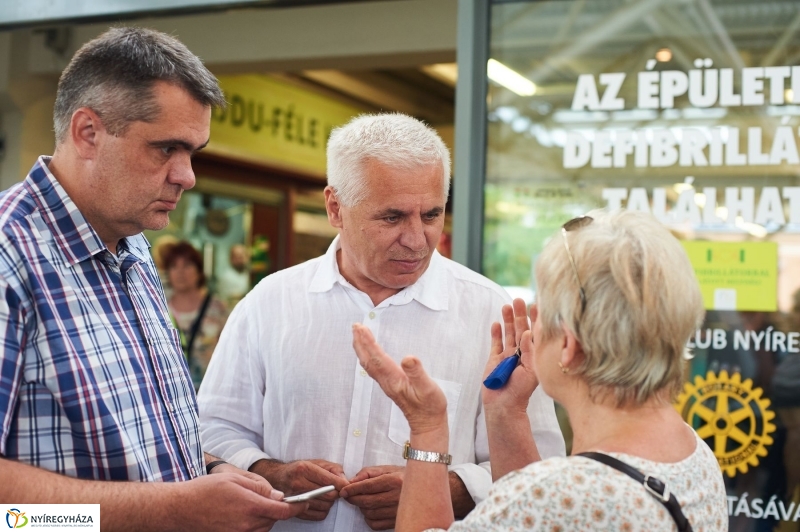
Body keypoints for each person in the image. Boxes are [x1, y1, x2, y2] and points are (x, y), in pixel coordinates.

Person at [198, 113, 565, 531]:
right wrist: (269, 472)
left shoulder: (490, 312)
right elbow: (212, 428)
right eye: (392, 218)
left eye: (431, 215)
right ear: (335, 207)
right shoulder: (271, 303)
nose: (417, 239)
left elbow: (540, 467)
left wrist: (442, 488)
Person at [0, 27, 304, 530]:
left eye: (193, 152)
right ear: (87, 132)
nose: (187, 176)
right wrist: (175, 509)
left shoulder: (134, 245)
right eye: (167, 148)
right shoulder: (10, 257)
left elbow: (145, 437)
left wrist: (215, 471)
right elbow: (11, 518)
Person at [352, 210, 729, 531]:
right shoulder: (691, 449)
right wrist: (505, 412)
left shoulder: (564, 494)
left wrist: (428, 427)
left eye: (542, 310)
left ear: (569, 345)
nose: (532, 324)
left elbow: (541, 505)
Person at [164, 241, 230, 389]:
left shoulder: (218, 308)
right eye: (174, 266)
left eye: (187, 265)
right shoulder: (159, 310)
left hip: (210, 389)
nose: (180, 272)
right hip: (172, 391)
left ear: (199, 271)